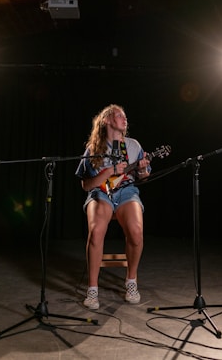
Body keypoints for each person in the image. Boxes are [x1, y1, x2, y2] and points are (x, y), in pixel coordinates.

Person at [75, 104, 151, 310]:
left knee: (136, 232)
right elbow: (86, 185)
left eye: (125, 116)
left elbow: (144, 177)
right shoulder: (94, 149)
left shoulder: (134, 145)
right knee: (97, 231)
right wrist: (108, 172)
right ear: (107, 120)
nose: (124, 119)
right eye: (119, 115)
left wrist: (143, 170)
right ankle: (92, 289)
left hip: (127, 192)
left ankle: (131, 281)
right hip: (100, 193)